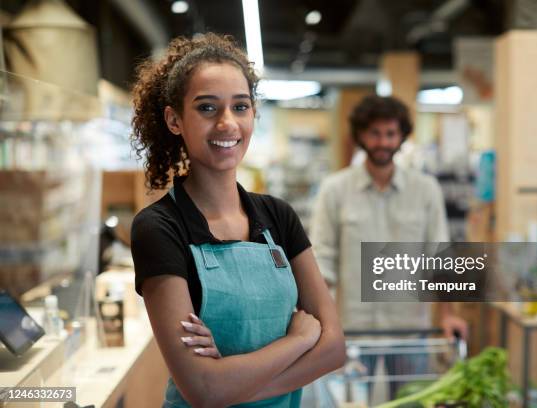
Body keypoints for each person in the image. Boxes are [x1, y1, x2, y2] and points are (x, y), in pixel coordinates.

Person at [130, 33, 345, 408]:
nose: (228, 123)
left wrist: (230, 384)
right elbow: (201, 388)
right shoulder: (160, 228)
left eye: (241, 107)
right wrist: (298, 340)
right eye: (207, 108)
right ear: (175, 119)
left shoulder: (278, 216)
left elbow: (334, 348)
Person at [309, 95, 468, 397]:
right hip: (353, 332)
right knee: (348, 406)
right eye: (375, 133)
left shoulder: (426, 190)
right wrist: (318, 319)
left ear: (402, 136)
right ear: (360, 136)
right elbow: (323, 262)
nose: (383, 142)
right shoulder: (335, 190)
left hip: (411, 331)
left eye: (391, 134)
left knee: (411, 403)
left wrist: (448, 315)